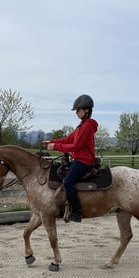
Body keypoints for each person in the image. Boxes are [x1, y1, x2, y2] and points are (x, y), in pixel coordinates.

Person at [44, 94, 97, 222]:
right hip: (78, 159)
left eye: (78, 110)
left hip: (83, 161)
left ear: (86, 110)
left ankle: (77, 212)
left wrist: (55, 146)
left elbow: (76, 146)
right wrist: (51, 141)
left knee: (67, 182)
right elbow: (68, 139)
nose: (76, 113)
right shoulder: (81, 126)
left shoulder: (88, 126)